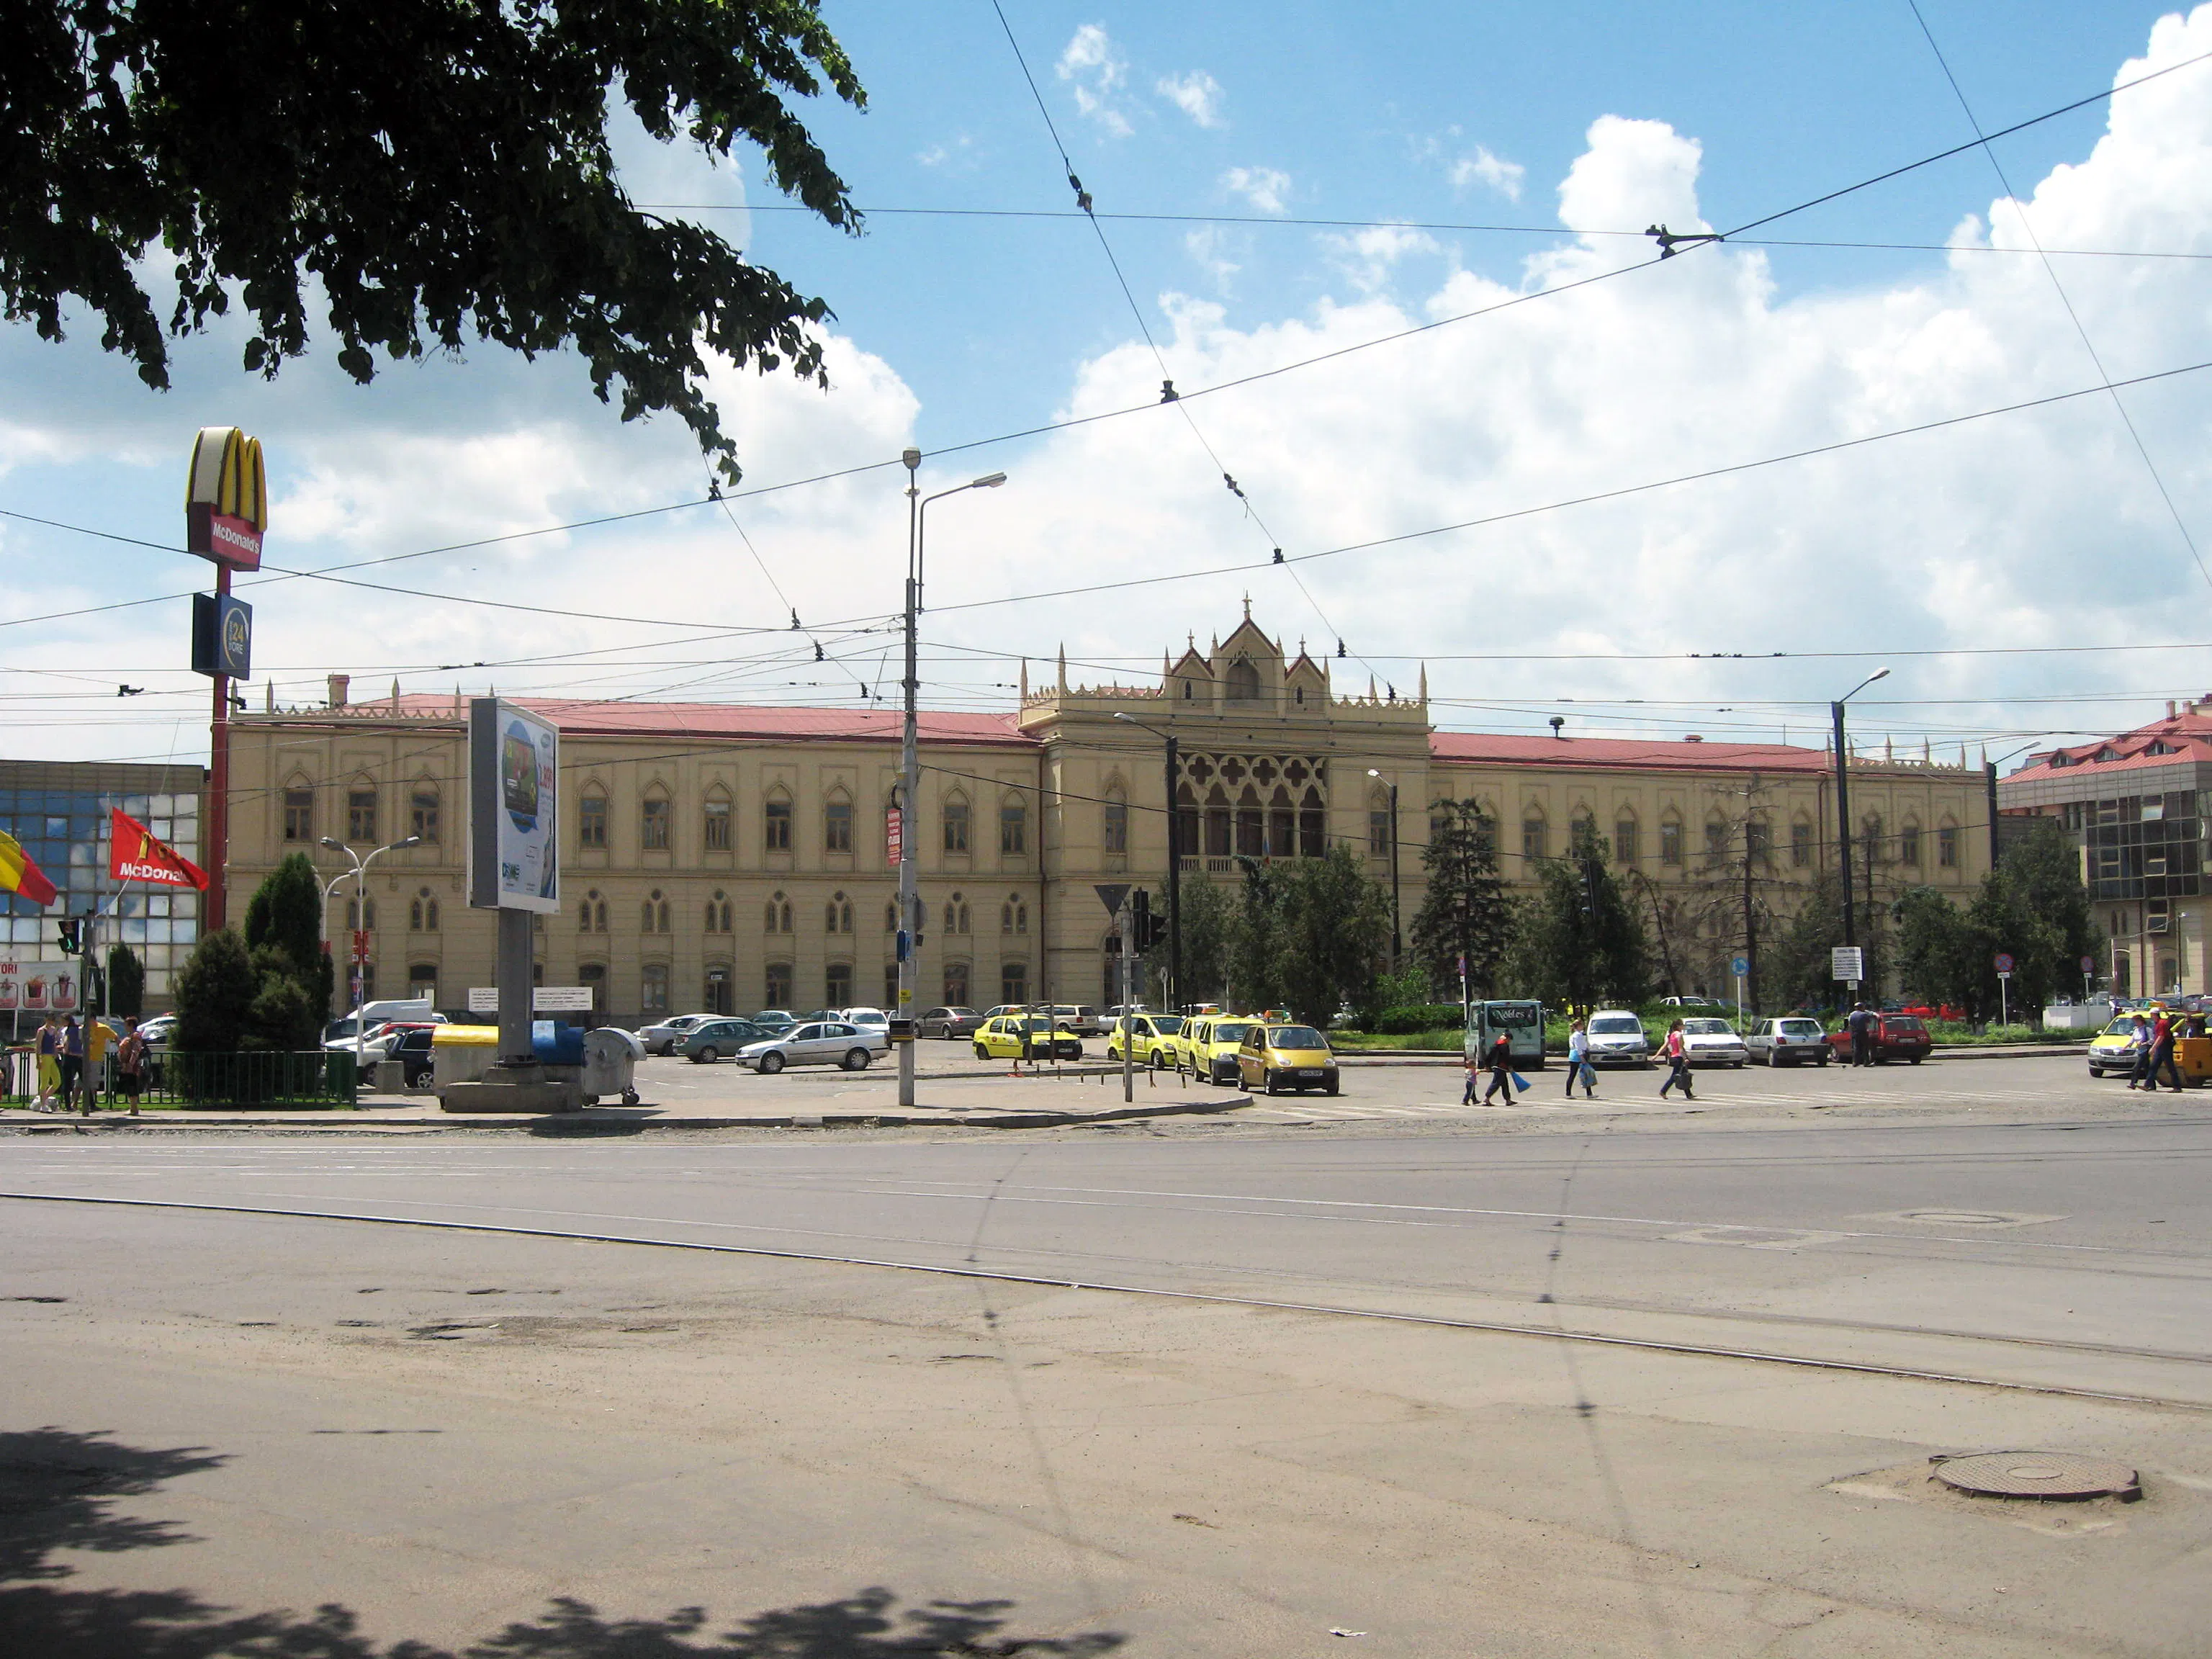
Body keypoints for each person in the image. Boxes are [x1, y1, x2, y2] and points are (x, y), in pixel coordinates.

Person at [80, 1013, 112, 1115]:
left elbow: (115, 1036)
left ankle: (92, 1104)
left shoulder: (102, 1028)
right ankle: (75, 1103)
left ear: (93, 1019)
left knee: (93, 1082)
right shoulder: (83, 1029)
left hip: (96, 1058)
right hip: (84, 1058)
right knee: (79, 1082)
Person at [2145, 1008, 2182, 1092]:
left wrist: (2153, 1048)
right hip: (2161, 1047)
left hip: (2165, 1047)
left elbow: (2161, 1037)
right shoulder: (2158, 1023)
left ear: (2155, 1014)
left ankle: (2177, 1087)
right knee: (2153, 1066)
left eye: (2151, 1015)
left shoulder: (2162, 1023)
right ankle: (2147, 1085)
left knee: (2170, 1067)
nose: (2151, 1017)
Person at [114, 1017, 145, 1118]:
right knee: (129, 1085)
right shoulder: (130, 1036)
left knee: (132, 1085)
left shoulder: (135, 1036)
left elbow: (135, 1051)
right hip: (126, 1064)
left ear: (131, 1025)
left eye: (126, 1024)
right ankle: (132, 1107)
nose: (124, 1027)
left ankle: (134, 1108)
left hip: (131, 1065)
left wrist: (130, 1064)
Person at [1658, 1018, 1696, 1100]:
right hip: (1679, 1057)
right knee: (1675, 1076)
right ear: (1678, 1026)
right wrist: (1685, 1058)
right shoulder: (1679, 1035)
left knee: (1684, 1074)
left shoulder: (1672, 1034)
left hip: (1674, 1056)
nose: (1683, 1026)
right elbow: (1680, 1048)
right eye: (1682, 1025)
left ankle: (1689, 1094)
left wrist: (1656, 1055)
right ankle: (1663, 1091)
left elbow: (1668, 1046)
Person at [1480, 1030, 1516, 1104]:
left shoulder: (1497, 1044)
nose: (1510, 1041)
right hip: (1500, 1067)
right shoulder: (1504, 1046)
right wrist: (1510, 1066)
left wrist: (1487, 1065)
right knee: (1496, 1083)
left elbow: (1490, 1055)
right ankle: (1487, 1098)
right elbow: (1506, 1057)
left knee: (1504, 1084)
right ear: (1507, 1038)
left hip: (1496, 1066)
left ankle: (1508, 1100)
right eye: (1510, 1040)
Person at [57, 1015, 84, 1115]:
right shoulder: (79, 1029)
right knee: (84, 1079)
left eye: (62, 1020)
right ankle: (91, 1103)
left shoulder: (68, 1030)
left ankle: (68, 1105)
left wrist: (64, 1049)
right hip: (79, 1056)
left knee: (67, 1082)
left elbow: (66, 1042)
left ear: (67, 1021)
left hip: (69, 1057)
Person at [1565, 1017, 1595, 1099]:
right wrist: (1582, 1057)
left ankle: (1589, 1093)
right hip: (1577, 1056)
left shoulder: (1576, 1034)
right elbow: (1578, 1047)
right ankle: (1568, 1093)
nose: (1583, 1026)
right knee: (1574, 1075)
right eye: (1582, 1025)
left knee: (1585, 1074)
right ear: (1578, 1026)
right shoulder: (1577, 1035)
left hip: (1575, 1055)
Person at [2125, 1012, 2154, 1089]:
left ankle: (2133, 1083)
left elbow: (2152, 1040)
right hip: (2139, 1051)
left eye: (2137, 1021)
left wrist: (2144, 1043)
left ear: (2142, 1021)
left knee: (2137, 1067)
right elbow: (2133, 1039)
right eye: (2135, 1021)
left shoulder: (2147, 1029)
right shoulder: (2136, 1030)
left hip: (2145, 1051)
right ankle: (2152, 1085)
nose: (2136, 1023)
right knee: (2147, 1068)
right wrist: (2127, 1046)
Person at [1847, 1003, 1874, 1067]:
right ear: (1862, 1007)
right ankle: (1866, 1063)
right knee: (1865, 1048)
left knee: (1856, 1048)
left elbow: (1850, 1025)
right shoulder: (1864, 1014)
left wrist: (1852, 1033)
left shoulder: (1851, 1015)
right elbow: (1867, 1024)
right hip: (1863, 1032)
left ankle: (1855, 1063)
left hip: (1855, 1033)